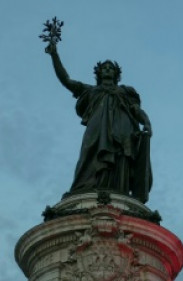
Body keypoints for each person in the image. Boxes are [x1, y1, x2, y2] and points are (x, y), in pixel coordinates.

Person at [45, 40, 153, 203]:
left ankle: (119, 191)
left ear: (117, 74)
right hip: (96, 128)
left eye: (111, 68)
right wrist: (54, 55)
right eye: (104, 68)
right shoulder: (90, 90)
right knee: (89, 153)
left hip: (123, 130)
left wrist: (146, 122)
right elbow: (66, 80)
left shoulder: (125, 91)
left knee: (121, 159)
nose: (107, 70)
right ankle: (84, 188)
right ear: (99, 73)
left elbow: (136, 110)